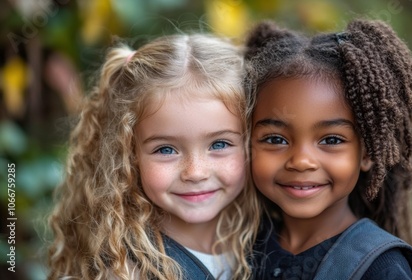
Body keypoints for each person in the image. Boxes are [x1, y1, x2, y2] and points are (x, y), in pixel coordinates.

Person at [47, 34, 260, 279]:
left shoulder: (268, 239)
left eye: (220, 144)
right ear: (128, 154)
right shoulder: (125, 272)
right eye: (166, 149)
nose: (195, 172)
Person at [244, 19, 412, 279]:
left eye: (331, 140)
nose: (301, 161)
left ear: (367, 153)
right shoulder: (237, 244)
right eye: (276, 139)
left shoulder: (380, 268)